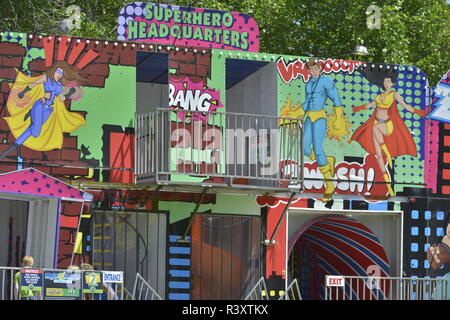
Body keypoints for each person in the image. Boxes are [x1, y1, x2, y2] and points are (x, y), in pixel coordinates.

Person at [349, 64, 428, 196]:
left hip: (387, 125)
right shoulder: (379, 96)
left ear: (392, 83)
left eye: (388, 81)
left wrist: (419, 112)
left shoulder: (394, 95)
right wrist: (358, 108)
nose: (386, 83)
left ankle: (388, 153)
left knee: (376, 128)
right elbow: (370, 105)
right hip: (376, 124)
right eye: (385, 81)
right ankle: (389, 188)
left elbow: (406, 106)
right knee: (379, 157)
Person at [0, 61, 87, 160]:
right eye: (58, 71)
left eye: (61, 73)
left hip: (48, 110)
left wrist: (68, 94)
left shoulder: (59, 85)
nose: (59, 75)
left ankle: (8, 150)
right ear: (54, 70)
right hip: (40, 106)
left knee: (30, 130)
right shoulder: (46, 78)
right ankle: (32, 113)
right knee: (36, 133)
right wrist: (23, 92)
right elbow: (34, 84)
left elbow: (60, 98)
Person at [301, 58, 350, 201]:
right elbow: (307, 103)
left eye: (316, 68)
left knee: (317, 150)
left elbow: (336, 98)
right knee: (304, 148)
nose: (314, 70)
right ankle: (327, 160)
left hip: (320, 118)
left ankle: (329, 184)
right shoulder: (308, 83)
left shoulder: (326, 81)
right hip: (309, 117)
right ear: (308, 70)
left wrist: (339, 119)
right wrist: (294, 113)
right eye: (311, 68)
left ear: (320, 68)